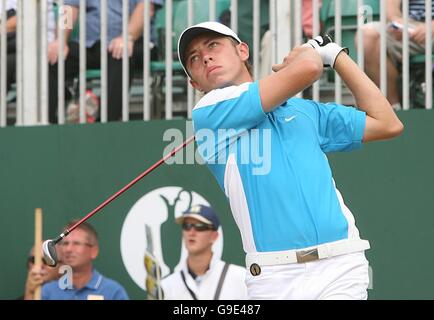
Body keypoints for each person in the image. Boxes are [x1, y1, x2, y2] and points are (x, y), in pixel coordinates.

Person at [176, 21, 403, 299]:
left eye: (213, 46)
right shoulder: (207, 113)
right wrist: (311, 50)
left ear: (243, 51)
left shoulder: (303, 110)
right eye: (194, 59)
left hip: (341, 263)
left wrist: (336, 56)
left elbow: (387, 123)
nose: (206, 57)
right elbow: (308, 69)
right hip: (274, 276)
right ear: (194, 83)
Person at [48, 0, 163, 123]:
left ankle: (106, 124)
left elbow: (146, 8)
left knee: (119, 54)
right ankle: (48, 123)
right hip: (90, 43)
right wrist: (60, 39)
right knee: (54, 58)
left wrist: (127, 37)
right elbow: (69, 8)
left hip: (134, 41)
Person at [356, 0, 434, 110]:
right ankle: (394, 109)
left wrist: (431, 27)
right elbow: (391, 9)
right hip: (411, 28)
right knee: (367, 36)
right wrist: (398, 23)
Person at [160, 204, 248, 300]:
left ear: (214, 236)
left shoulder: (241, 278)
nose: (191, 232)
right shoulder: (165, 287)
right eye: (187, 226)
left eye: (200, 226)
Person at [42, 220, 129, 300]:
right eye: (65, 243)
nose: (68, 249)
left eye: (76, 243)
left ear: (94, 251)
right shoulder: (47, 291)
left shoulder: (113, 291)